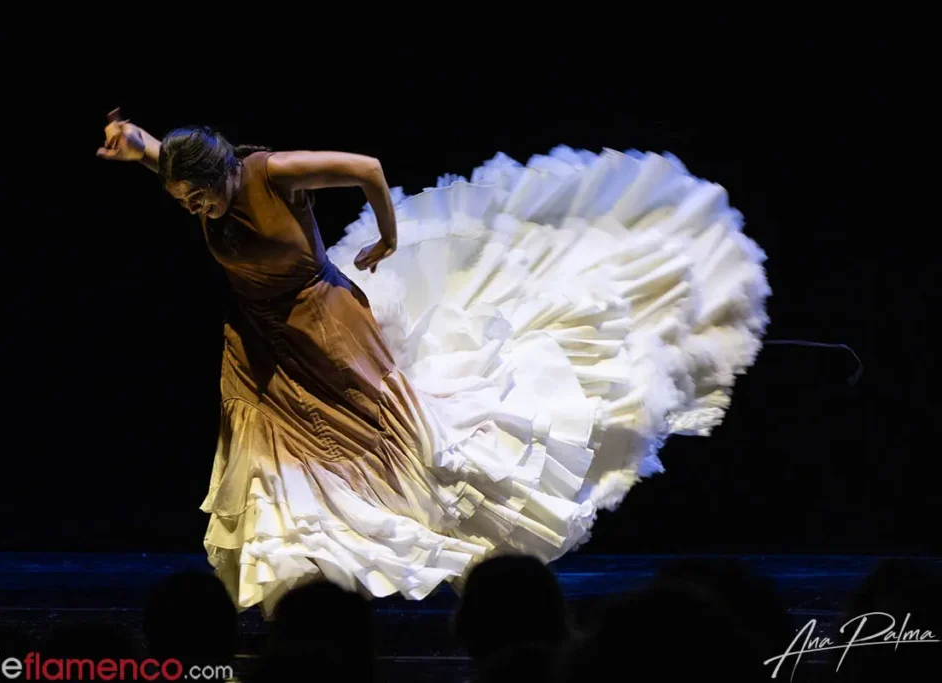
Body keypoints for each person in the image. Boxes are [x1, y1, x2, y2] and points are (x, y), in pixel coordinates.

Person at [98, 114, 770, 617]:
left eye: (198, 198)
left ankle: (405, 550)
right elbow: (168, 158)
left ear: (221, 174)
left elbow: (366, 167)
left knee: (388, 444)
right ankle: (302, 573)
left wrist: (388, 237)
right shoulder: (196, 176)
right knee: (274, 455)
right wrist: (139, 145)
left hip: (325, 327)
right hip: (258, 341)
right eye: (183, 203)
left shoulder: (275, 173)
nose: (195, 211)